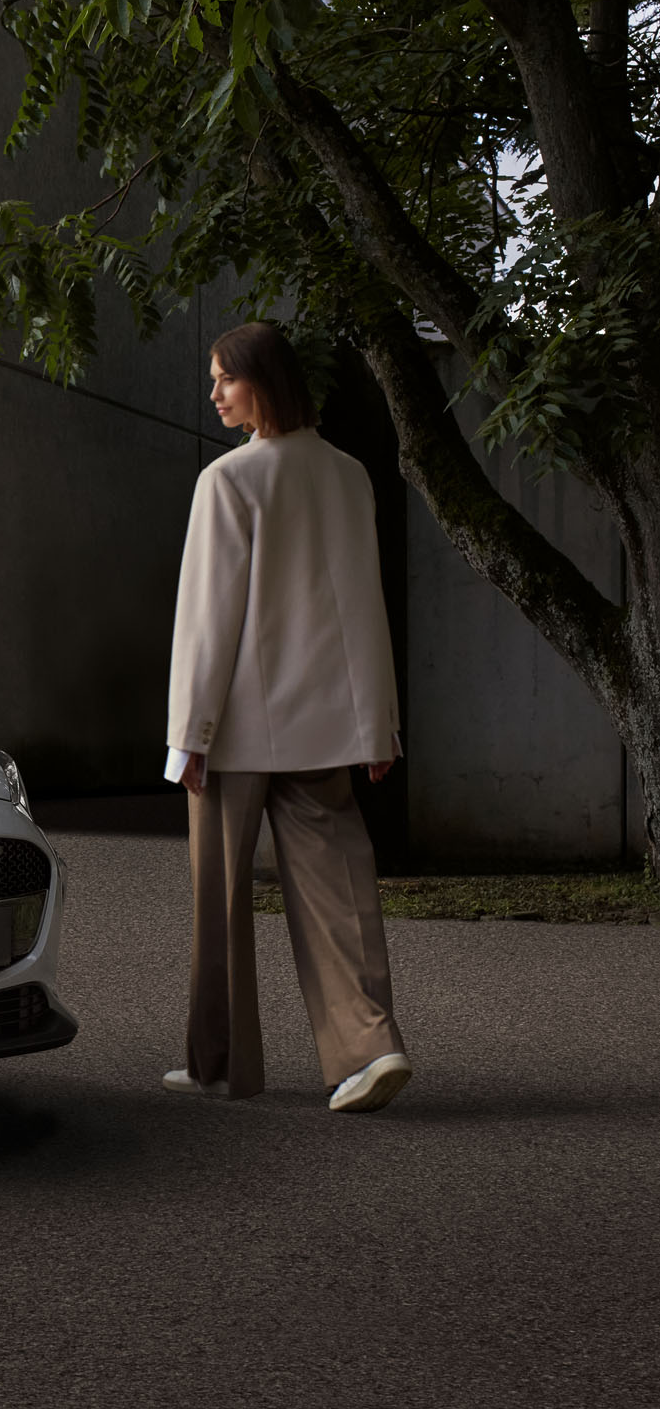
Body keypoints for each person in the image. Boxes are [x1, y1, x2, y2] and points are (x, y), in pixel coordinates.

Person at [163, 322, 412, 1113]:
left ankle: (220, 1065)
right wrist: (375, 725)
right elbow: (363, 609)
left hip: (231, 732)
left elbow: (207, 622)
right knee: (341, 891)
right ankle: (368, 1051)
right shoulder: (348, 476)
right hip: (322, 727)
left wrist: (186, 737)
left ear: (259, 382)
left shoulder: (227, 480)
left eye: (222, 380)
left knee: (219, 902)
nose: (213, 395)